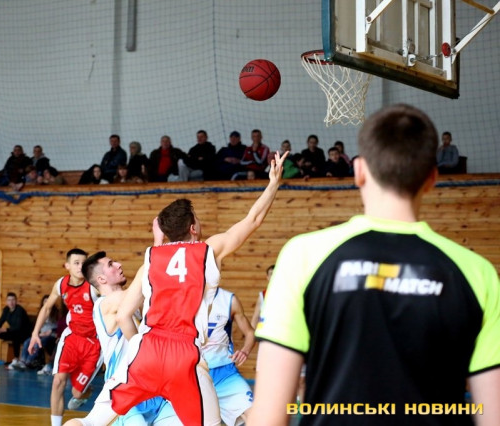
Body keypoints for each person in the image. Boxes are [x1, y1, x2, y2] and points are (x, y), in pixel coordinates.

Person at [250, 104, 500, 426]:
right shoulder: (477, 273)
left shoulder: (303, 257)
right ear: (432, 178)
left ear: (359, 171)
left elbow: (269, 417)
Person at [98, 151, 286, 425]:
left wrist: (158, 238)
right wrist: (273, 183)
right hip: (185, 355)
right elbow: (253, 220)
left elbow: (126, 312)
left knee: (93, 420)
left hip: (147, 350)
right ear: (193, 227)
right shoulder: (207, 250)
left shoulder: (152, 257)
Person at [64, 251, 179, 426]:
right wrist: (157, 253)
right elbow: (142, 283)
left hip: (152, 383)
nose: (119, 265)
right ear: (101, 279)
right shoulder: (105, 303)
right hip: (124, 384)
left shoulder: (131, 305)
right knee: (87, 423)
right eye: (111, 264)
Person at [27, 248, 102, 426]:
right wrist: (35, 333)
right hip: (72, 338)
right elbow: (46, 308)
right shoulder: (61, 284)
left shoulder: (93, 286)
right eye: (76, 263)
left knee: (77, 393)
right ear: (67, 265)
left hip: (94, 343)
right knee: (58, 381)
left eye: (83, 263)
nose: (80, 266)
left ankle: (84, 392)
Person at [203, 287, 256, 426]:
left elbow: (250, 332)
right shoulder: (181, 299)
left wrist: (245, 351)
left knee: (255, 416)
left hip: (225, 373)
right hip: (193, 375)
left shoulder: (229, 300)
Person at [17, 295, 60, 370]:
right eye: (45, 301)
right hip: (41, 334)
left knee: (38, 343)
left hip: (51, 335)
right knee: (27, 341)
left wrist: (51, 330)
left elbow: (61, 326)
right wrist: (38, 333)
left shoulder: (57, 313)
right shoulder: (41, 313)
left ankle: (28, 361)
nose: (47, 302)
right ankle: (22, 361)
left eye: (48, 301)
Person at [0, 292, 32, 370]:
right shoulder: (6, 310)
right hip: (12, 332)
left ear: (16, 301)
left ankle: (16, 359)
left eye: (13, 300)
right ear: (6, 302)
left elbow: (18, 327)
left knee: (15, 336)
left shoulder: (20, 310)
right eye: (9, 300)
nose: (11, 302)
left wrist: (4, 329)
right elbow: (0, 322)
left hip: (25, 334)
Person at [250, 265, 274, 329]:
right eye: (271, 274)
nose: (273, 276)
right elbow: (256, 317)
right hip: (266, 330)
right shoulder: (263, 295)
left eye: (275, 274)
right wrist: (251, 333)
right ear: (267, 277)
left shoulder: (287, 293)